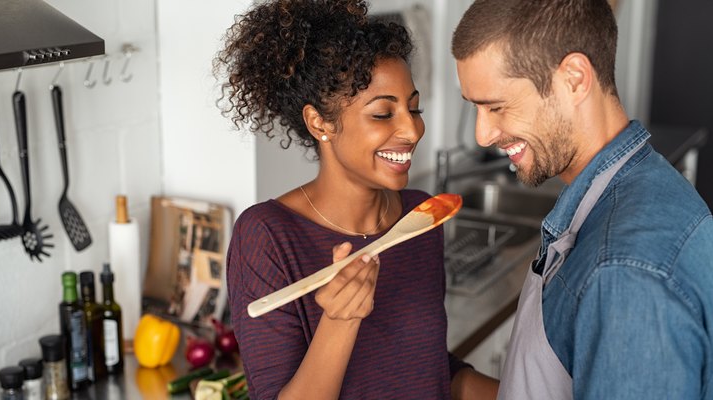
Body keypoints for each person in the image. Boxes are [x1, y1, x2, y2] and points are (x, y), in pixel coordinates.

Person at [215, 0, 497, 399]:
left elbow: (424, 367)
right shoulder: (266, 236)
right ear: (320, 123)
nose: (412, 130)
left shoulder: (420, 217)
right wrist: (339, 320)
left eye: (413, 108)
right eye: (383, 114)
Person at [451, 0, 713, 399]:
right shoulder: (636, 185)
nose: (482, 135)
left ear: (574, 78)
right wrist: (455, 381)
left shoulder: (624, 273)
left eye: (497, 107)